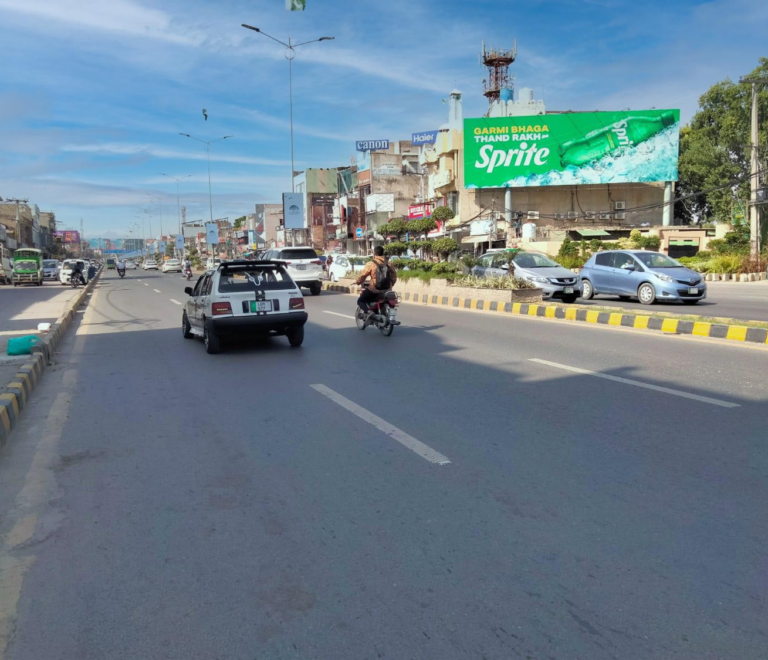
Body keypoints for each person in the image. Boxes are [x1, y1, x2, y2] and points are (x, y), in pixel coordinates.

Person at [356, 246, 397, 321]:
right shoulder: (389, 263)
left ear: (374, 254)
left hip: (374, 290)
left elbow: (363, 275)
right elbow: (394, 276)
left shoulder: (371, 264)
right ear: (382, 253)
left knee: (360, 301)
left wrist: (358, 282)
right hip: (387, 290)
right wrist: (391, 285)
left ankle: (369, 312)